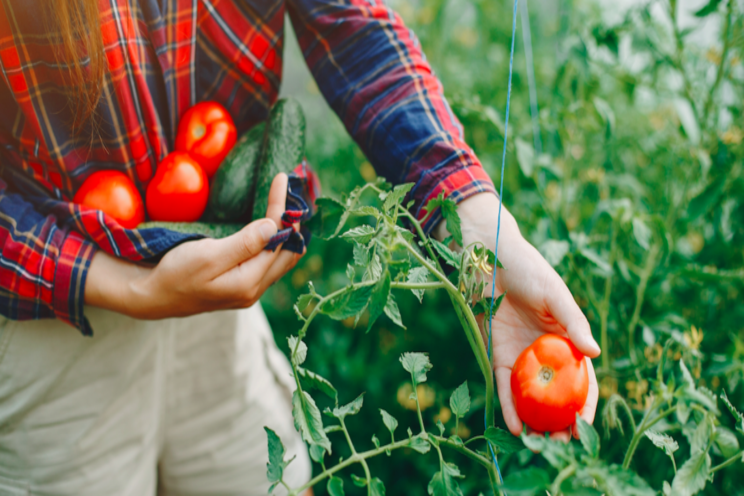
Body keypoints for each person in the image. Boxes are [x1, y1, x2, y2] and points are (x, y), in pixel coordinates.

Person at [0, 0, 600, 494]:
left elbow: (352, 27)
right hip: (51, 312)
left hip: (213, 282)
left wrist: (473, 220)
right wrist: (124, 284)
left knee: (267, 480)